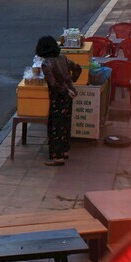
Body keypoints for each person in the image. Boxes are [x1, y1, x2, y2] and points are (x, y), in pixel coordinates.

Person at [36, 35, 77, 166]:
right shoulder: (62, 57)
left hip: (58, 98)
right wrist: (72, 83)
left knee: (55, 126)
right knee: (65, 123)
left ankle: (57, 156)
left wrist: (66, 90)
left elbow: (53, 84)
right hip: (69, 97)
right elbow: (77, 68)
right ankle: (64, 151)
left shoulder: (46, 64)